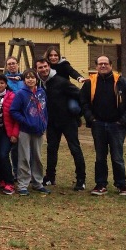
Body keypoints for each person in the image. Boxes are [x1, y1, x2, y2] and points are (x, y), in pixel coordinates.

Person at [80, 55, 126, 196]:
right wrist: (90, 118)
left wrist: (123, 121)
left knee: (117, 157)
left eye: (106, 63)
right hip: (98, 125)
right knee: (100, 157)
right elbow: (83, 102)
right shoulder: (90, 83)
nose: (103, 66)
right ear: (96, 66)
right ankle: (100, 185)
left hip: (117, 126)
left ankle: (121, 185)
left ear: (111, 65)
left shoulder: (122, 82)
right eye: (100, 64)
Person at [35, 58, 86, 190]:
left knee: (75, 149)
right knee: (51, 149)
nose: (44, 69)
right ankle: (50, 177)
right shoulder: (39, 83)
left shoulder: (61, 81)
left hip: (68, 121)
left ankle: (81, 179)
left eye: (45, 66)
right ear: (37, 69)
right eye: (40, 67)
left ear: (49, 67)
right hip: (51, 122)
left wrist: (77, 114)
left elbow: (80, 95)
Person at [9, 68, 50, 196]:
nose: (30, 79)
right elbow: (13, 111)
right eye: (27, 77)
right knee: (24, 157)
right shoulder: (21, 94)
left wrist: (44, 123)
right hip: (25, 130)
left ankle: (38, 182)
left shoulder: (41, 92)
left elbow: (44, 109)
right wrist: (25, 121)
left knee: (37, 157)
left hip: (39, 130)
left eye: (32, 77)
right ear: (24, 80)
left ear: (36, 79)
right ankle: (23, 184)